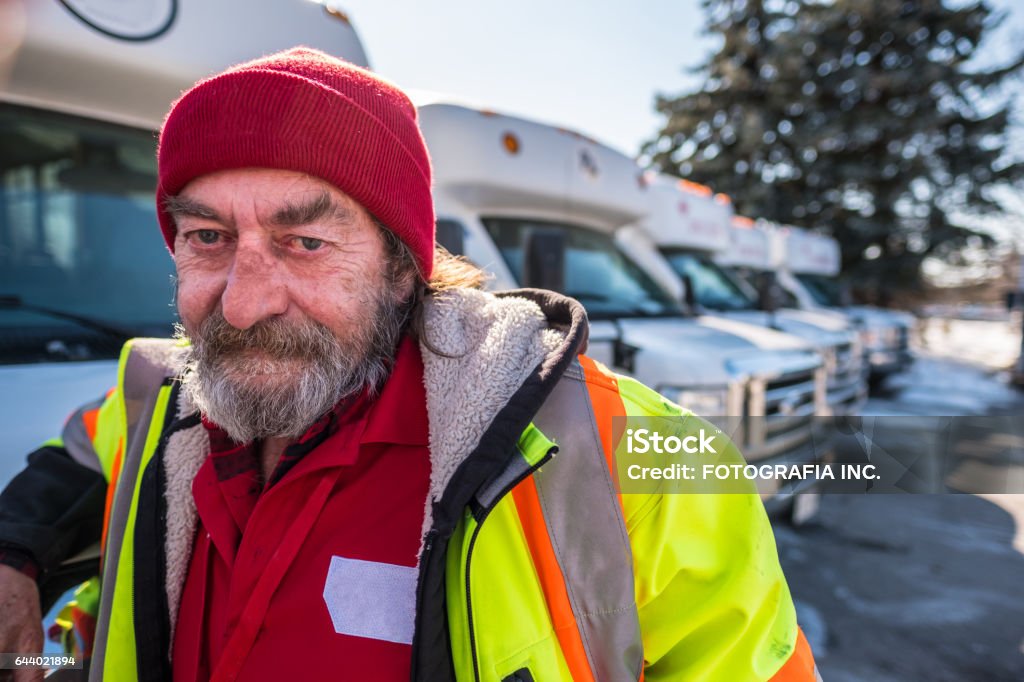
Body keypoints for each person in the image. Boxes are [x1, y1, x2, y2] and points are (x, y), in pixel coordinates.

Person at [0, 48, 819, 681]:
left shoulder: (633, 455)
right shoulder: (165, 402)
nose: (244, 304)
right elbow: (79, 458)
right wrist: (15, 553)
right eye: (207, 238)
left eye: (306, 242)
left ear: (402, 268)